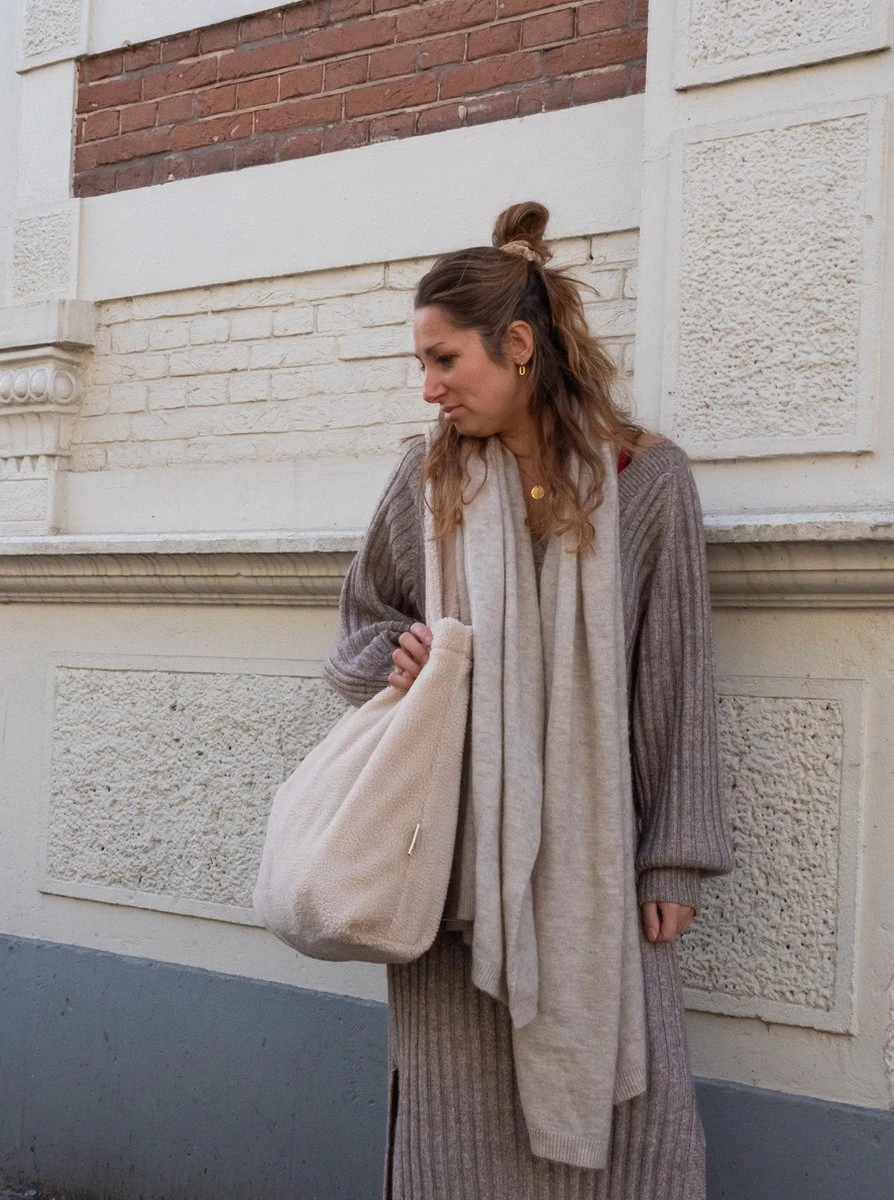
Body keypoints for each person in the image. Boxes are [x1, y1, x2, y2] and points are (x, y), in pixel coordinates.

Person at [325, 202, 733, 1200]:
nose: (428, 387)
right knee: (454, 1135)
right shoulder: (426, 480)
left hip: (596, 866)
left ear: (516, 346)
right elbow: (360, 625)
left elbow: (675, 675)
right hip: (451, 871)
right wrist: (396, 652)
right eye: (421, 364)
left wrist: (673, 857)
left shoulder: (647, 482)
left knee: (634, 1129)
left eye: (443, 359)